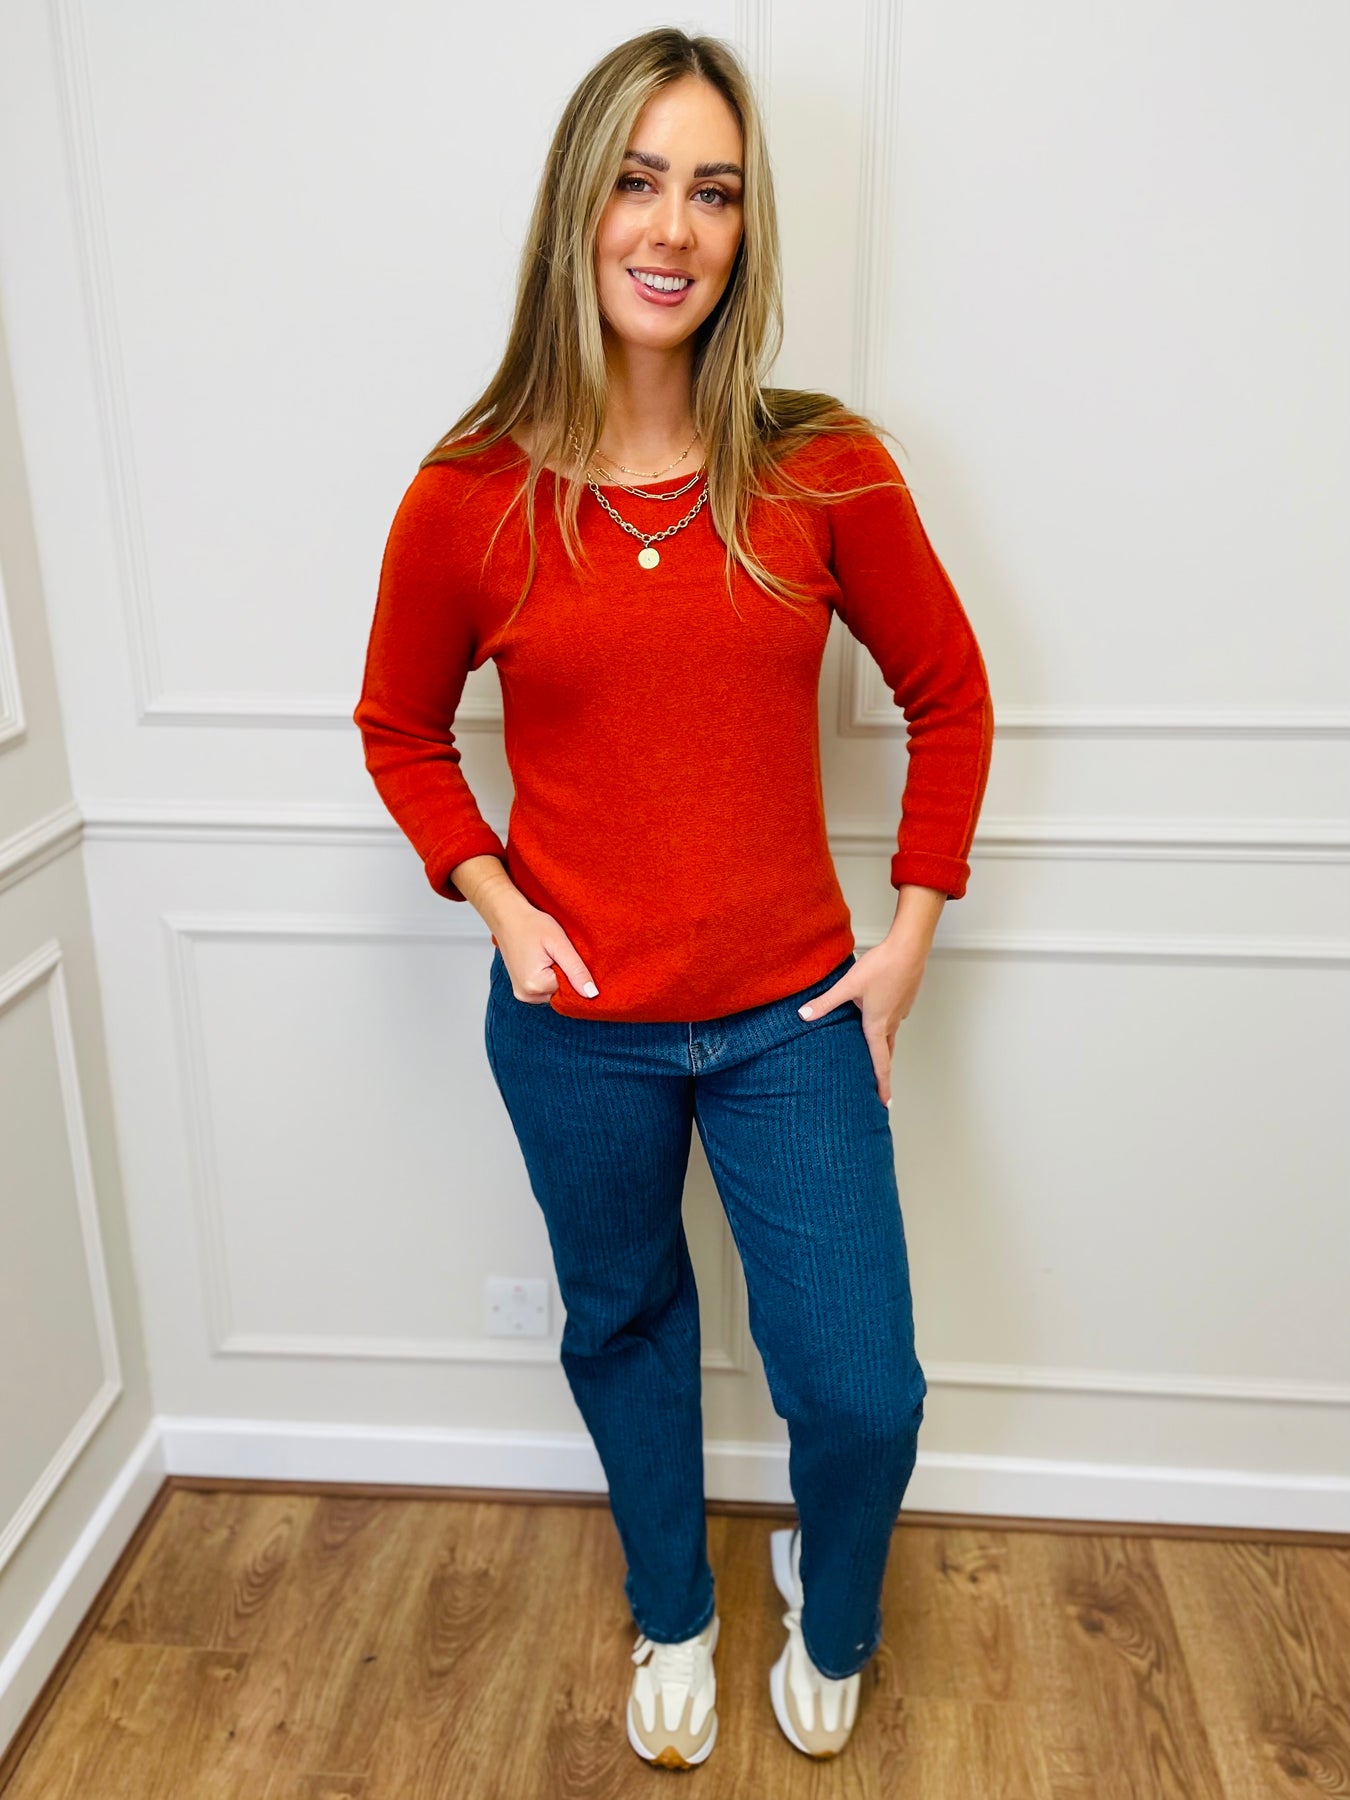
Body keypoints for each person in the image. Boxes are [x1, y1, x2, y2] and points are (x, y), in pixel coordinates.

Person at [353, 25, 994, 1771]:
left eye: (712, 192)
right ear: (578, 208)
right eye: (638, 182)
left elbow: (949, 695)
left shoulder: (824, 470)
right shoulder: (468, 496)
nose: (672, 226)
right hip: (575, 1027)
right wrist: (498, 902)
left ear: (743, 230)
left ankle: (829, 1603)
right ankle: (671, 1609)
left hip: (792, 1017)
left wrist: (906, 940)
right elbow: (398, 728)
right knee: (623, 1326)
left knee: (860, 1387)